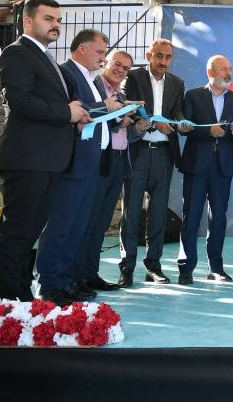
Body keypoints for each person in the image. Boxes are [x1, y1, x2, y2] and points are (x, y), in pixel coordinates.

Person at [0, 0, 88, 302]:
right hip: (27, 158)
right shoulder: (16, 53)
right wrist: (66, 113)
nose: (55, 25)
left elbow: (51, 104)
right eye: (48, 19)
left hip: (48, 160)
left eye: (58, 20)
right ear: (28, 20)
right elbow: (20, 101)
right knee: (17, 234)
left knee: (30, 234)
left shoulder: (46, 57)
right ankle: (7, 302)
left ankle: (22, 298)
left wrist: (75, 117)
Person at [37, 29, 121, 305]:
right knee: (61, 226)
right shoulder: (66, 73)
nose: (103, 58)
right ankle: (49, 284)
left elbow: (95, 113)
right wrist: (105, 107)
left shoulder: (93, 79)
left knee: (78, 227)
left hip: (92, 162)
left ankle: (68, 280)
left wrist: (117, 111)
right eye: (100, 52)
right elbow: (73, 111)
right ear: (82, 48)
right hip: (73, 162)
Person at [119, 39, 188, 286]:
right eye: (159, 56)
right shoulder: (134, 77)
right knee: (131, 213)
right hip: (138, 151)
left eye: (168, 57)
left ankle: (153, 266)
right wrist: (154, 122)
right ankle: (127, 268)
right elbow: (127, 108)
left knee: (158, 213)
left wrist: (180, 122)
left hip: (163, 154)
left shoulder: (177, 83)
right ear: (149, 55)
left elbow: (177, 111)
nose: (163, 61)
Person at [176, 55, 233, 284]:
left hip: (223, 167)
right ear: (211, 72)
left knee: (218, 218)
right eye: (224, 69)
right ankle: (186, 269)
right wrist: (208, 131)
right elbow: (185, 127)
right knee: (191, 216)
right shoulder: (193, 95)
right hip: (197, 165)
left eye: (230, 69)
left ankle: (216, 268)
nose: (229, 73)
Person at [72, 49, 137, 294]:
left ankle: (90, 273)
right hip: (99, 159)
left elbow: (125, 131)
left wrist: (135, 123)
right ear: (106, 62)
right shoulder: (96, 89)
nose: (121, 70)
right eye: (117, 64)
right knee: (87, 220)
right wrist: (118, 120)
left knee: (101, 222)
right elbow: (89, 118)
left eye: (126, 68)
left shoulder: (121, 95)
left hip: (118, 161)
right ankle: (76, 276)